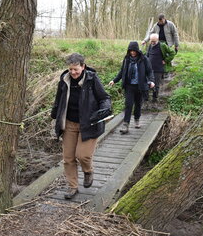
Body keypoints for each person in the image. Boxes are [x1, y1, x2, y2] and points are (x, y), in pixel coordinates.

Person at [51, 53, 111, 199]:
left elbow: (104, 98)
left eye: (76, 69)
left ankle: (88, 170)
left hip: (89, 123)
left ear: (83, 67)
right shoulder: (64, 80)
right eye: (70, 69)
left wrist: (104, 109)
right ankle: (72, 187)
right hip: (69, 124)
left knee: (83, 156)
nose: (73, 72)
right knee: (68, 158)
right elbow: (59, 100)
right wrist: (55, 117)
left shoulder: (91, 79)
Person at [109, 41, 154, 134]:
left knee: (138, 105)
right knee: (128, 105)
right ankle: (126, 125)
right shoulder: (127, 59)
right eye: (131, 51)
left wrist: (152, 81)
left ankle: (137, 119)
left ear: (137, 50)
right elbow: (122, 72)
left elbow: (149, 71)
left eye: (134, 51)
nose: (132, 53)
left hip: (140, 86)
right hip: (129, 86)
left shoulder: (144, 59)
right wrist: (114, 80)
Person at [146, 33, 176, 102]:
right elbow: (147, 55)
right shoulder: (150, 45)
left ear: (158, 40)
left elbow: (172, 53)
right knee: (148, 83)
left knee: (156, 84)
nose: (152, 43)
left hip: (158, 69)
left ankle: (155, 98)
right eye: (151, 41)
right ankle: (146, 98)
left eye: (154, 41)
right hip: (150, 69)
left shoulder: (162, 46)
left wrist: (166, 60)